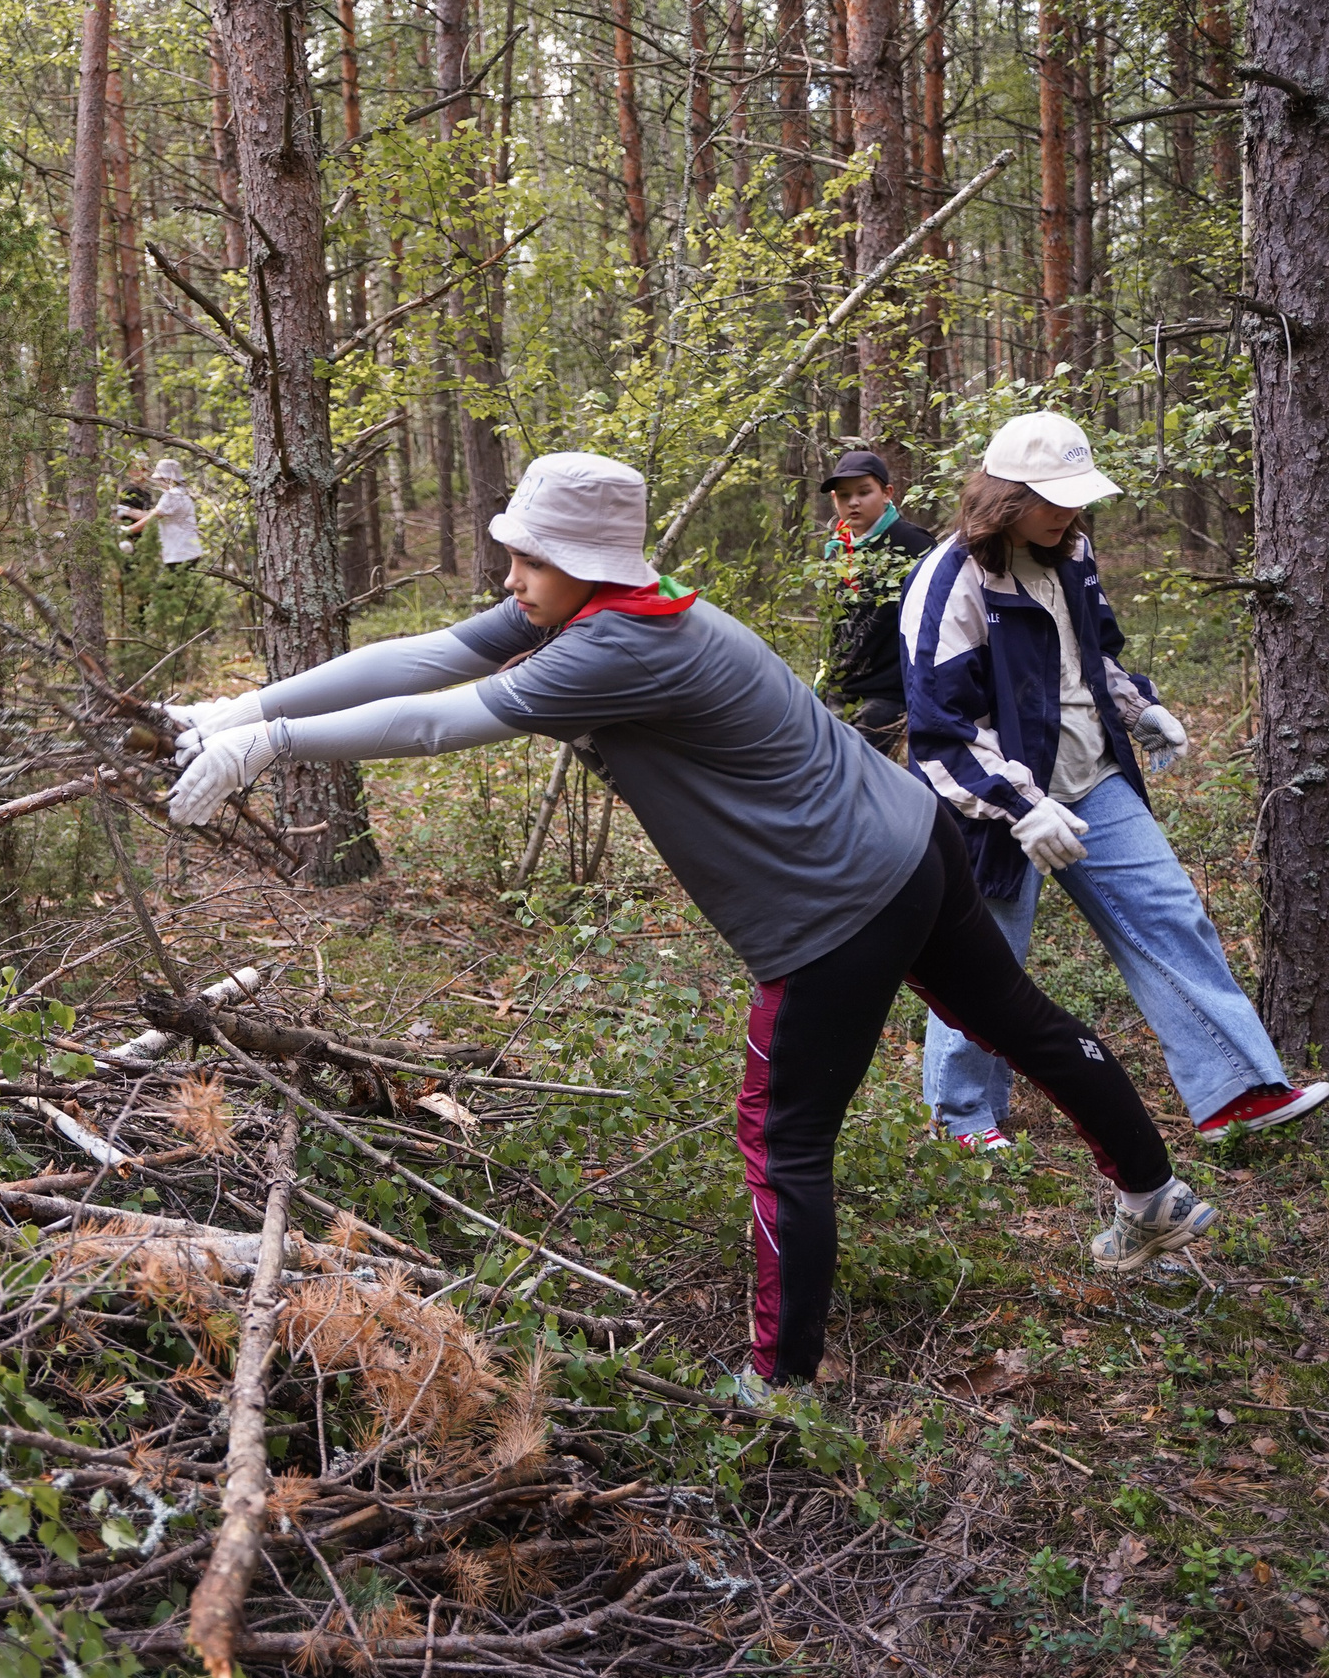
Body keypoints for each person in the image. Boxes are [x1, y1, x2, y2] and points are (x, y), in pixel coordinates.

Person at [164, 450, 1221, 1393]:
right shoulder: (615, 599)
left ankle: (781, 1387)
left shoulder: (615, 646)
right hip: (910, 838)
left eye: (525, 559)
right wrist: (244, 711)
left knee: (784, 1137)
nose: (507, 579)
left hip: (838, 903)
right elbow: (429, 654)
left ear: (578, 559)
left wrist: (275, 748)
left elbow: (441, 719)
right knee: (1024, 1024)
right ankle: (1156, 1200)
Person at [902, 412, 1329, 1153]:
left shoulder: (1073, 552)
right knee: (986, 958)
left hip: (1094, 777)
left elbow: (1091, 652)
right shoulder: (949, 581)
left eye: (1075, 497)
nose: (1066, 512)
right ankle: (963, 1116)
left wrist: (1141, 707)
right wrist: (1020, 809)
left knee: (1172, 914)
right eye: (1049, 498)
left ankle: (1238, 1087)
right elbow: (942, 730)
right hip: (996, 806)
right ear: (1005, 494)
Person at [815, 448, 932, 756]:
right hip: (840, 688)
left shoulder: (913, 543)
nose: (853, 502)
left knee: (859, 775)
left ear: (886, 493)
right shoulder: (836, 550)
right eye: (844, 495)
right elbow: (835, 623)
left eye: (864, 492)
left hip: (887, 694)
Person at [119, 458, 203, 568]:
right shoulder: (181, 493)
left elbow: (153, 518)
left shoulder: (173, 495)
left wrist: (127, 530)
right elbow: (152, 514)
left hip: (180, 553)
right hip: (185, 551)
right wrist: (127, 511)